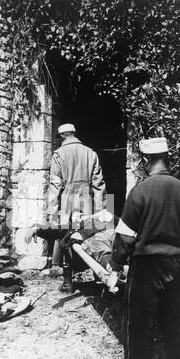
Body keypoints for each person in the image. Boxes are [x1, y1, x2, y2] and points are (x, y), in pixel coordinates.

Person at [99, 137, 180, 359]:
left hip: (147, 266)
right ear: (167, 158)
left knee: (139, 324)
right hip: (177, 265)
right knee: (176, 320)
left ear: (145, 161)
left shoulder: (141, 191)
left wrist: (116, 266)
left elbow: (125, 236)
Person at [47, 123, 106, 291]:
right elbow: (99, 185)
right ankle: (97, 278)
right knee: (89, 234)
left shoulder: (59, 154)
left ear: (62, 136)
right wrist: (100, 211)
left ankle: (68, 282)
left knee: (67, 235)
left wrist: (52, 212)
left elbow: (55, 185)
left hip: (68, 198)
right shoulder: (91, 153)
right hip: (86, 198)